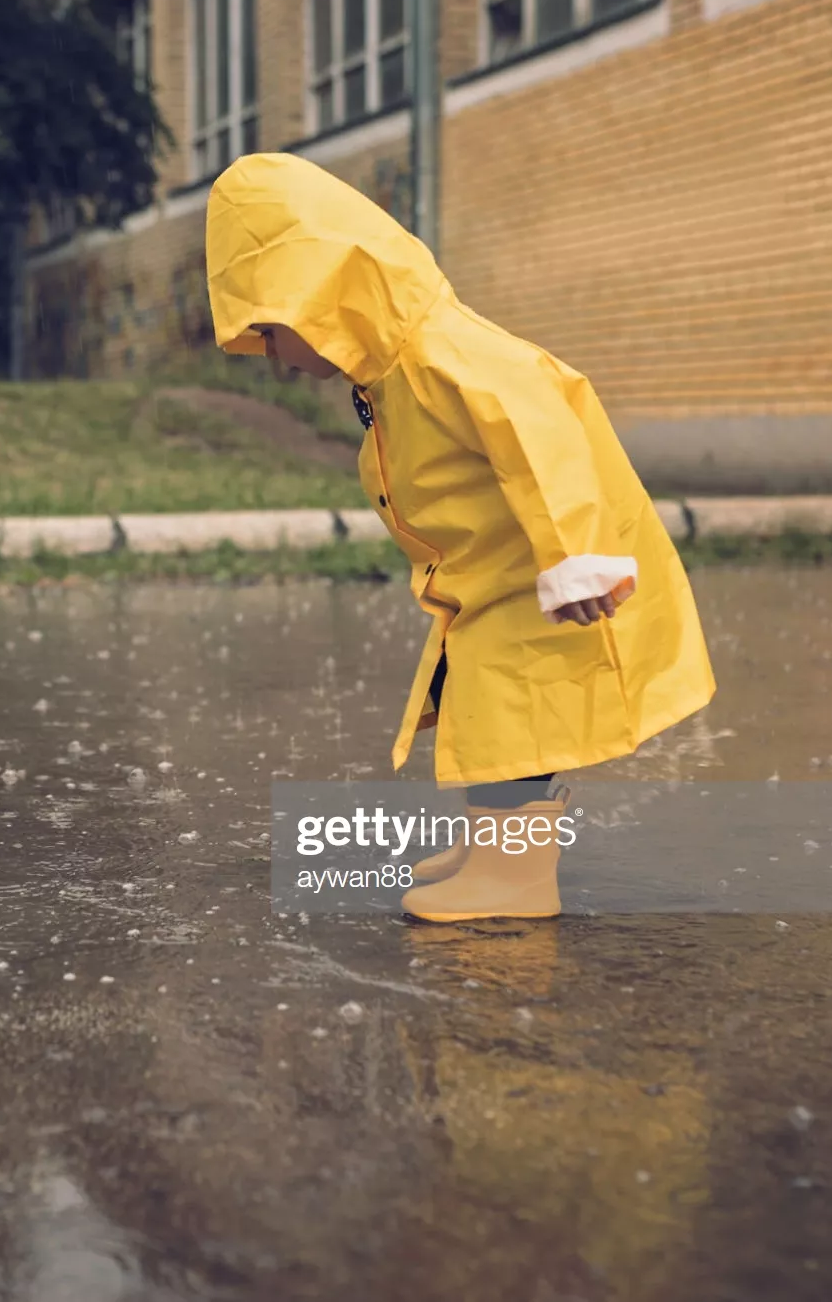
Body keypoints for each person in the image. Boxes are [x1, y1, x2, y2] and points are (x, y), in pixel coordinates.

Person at [205, 152, 715, 922]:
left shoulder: (440, 353)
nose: (272, 356)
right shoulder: (391, 371)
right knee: (487, 708)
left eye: (272, 330)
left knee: (514, 717)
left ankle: (515, 878)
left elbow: (539, 439)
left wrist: (574, 559)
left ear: (321, 296)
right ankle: (496, 850)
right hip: (492, 579)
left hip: (534, 580)